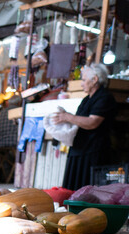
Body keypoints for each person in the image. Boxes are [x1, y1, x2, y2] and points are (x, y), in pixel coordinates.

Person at [51, 63, 117, 191]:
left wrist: (67, 117)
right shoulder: (87, 99)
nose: (81, 84)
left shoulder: (104, 98)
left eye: (83, 80)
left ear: (95, 80)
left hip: (93, 150)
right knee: (72, 189)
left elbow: (93, 122)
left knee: (87, 191)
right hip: (80, 149)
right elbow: (79, 121)